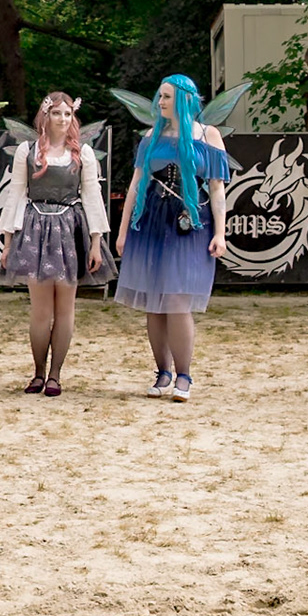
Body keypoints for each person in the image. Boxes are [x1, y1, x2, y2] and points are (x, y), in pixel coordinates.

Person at [113, 74, 229, 401]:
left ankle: (184, 376)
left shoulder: (209, 136)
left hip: (191, 221)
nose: (160, 102)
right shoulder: (151, 137)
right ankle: (162, 372)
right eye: (159, 96)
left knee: (178, 301)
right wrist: (123, 232)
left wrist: (220, 233)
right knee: (154, 301)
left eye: (166, 96)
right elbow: (136, 185)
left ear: (184, 98)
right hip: (152, 220)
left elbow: (218, 189)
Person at [0, 92, 110, 396]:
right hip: (35, 229)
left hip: (69, 230)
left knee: (65, 308)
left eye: (67, 114)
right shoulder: (28, 151)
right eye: (56, 113)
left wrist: (96, 242)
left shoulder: (82, 153)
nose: (62, 119)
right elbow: (16, 194)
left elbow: (92, 198)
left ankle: (55, 375)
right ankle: (37, 372)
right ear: (45, 116)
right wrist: (8, 241)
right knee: (40, 310)